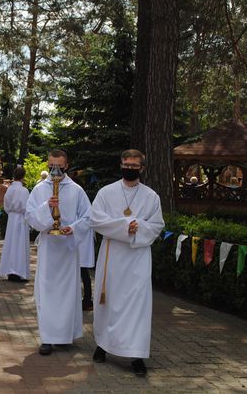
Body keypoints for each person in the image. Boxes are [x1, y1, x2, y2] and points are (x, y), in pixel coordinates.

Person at [89, 149, 164, 377]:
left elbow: (157, 225)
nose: (129, 168)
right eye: (126, 164)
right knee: (109, 301)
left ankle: (137, 354)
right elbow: (95, 219)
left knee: (137, 306)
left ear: (142, 168)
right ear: (120, 164)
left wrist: (137, 228)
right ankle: (103, 345)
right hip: (112, 257)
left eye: (134, 166)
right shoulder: (106, 192)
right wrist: (124, 227)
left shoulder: (151, 196)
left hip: (138, 259)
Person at [25, 149, 95, 357]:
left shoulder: (76, 190)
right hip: (48, 246)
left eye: (59, 165)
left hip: (67, 247)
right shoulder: (39, 189)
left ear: (66, 165)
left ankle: (64, 336)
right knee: (47, 293)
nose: (55, 169)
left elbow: (88, 216)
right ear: (48, 164)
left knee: (67, 292)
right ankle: (47, 338)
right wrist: (47, 206)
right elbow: (30, 216)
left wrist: (72, 228)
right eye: (51, 164)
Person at [0, 166, 30, 282]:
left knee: (11, 244)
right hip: (21, 218)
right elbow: (27, 207)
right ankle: (18, 271)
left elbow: (6, 205)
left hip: (12, 218)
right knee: (19, 245)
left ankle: (10, 270)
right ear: (23, 176)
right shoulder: (24, 191)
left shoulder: (10, 189)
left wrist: (11, 212)